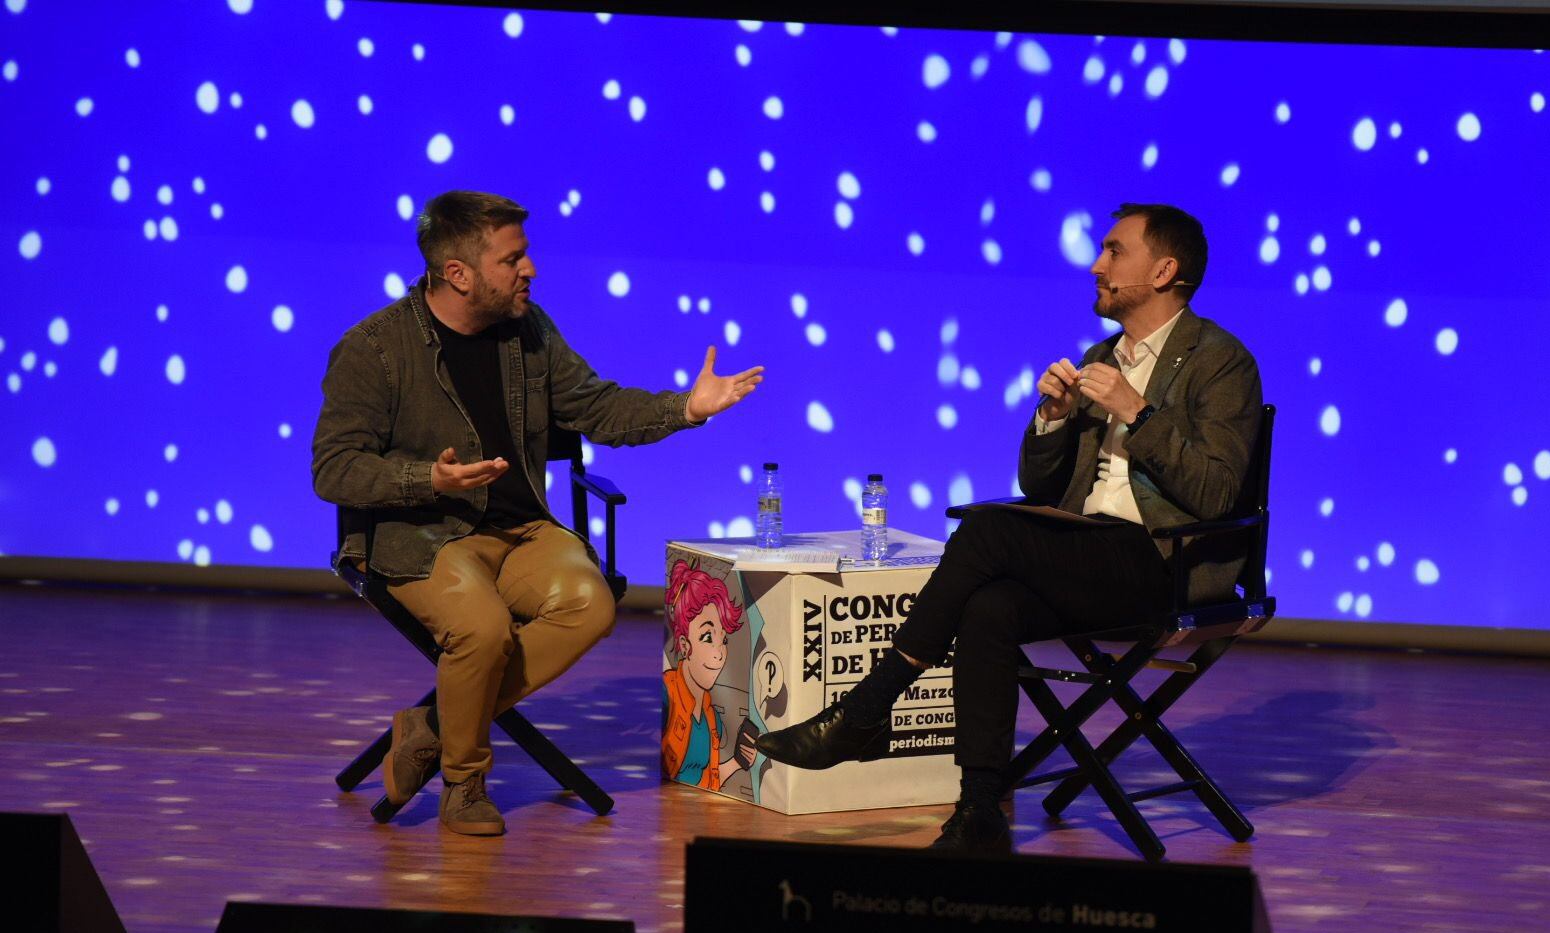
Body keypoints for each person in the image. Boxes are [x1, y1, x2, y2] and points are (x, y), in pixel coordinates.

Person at [756, 203, 1262, 854]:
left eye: (1114, 251)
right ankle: (980, 812)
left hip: (1162, 564)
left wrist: (1137, 411)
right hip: (1088, 554)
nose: (1095, 264)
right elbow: (1043, 489)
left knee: (987, 533)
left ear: (1165, 270)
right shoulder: (1099, 356)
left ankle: (865, 710)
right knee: (990, 607)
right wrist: (1053, 417)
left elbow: (1217, 493)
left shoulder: (1220, 361)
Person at [313, 190, 763, 836]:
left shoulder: (530, 334)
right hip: (426, 537)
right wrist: (425, 478)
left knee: (592, 602)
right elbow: (333, 469)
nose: (531, 269)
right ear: (458, 274)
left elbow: (598, 408)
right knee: (482, 630)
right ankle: (464, 783)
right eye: (513, 259)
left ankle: (433, 728)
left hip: (521, 532)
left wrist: (685, 408)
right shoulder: (375, 351)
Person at [661, 559, 756, 791]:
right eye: (707, 637)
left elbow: (707, 780)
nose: (719, 653)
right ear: (684, 645)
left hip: (700, 812)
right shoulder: (667, 695)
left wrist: (737, 761)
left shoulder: (712, 719)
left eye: (723, 640)